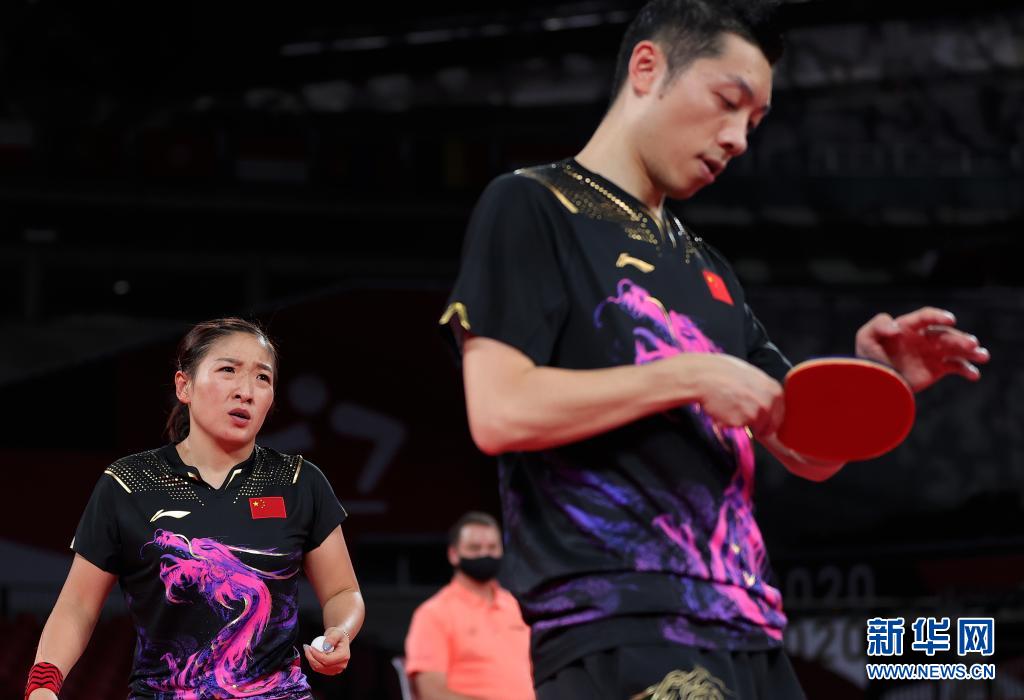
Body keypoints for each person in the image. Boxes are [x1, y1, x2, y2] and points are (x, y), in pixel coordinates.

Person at [438, 1, 991, 698]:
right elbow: (500, 411)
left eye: (753, 123)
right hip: (623, 624)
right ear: (647, 69)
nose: (738, 139)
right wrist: (691, 375)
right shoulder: (532, 205)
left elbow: (806, 450)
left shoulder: (707, 269)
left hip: (750, 629)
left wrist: (872, 383)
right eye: (728, 103)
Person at [25, 318, 364, 700]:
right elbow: (77, 606)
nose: (246, 392)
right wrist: (43, 683)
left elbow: (342, 591)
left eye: (262, 378)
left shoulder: (299, 481)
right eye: (228, 370)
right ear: (183, 386)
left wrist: (340, 630)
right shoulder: (129, 483)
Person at [404, 512, 534, 700]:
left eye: (492, 547)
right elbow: (432, 693)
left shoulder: (516, 607)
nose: (484, 554)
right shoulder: (433, 614)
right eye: (475, 548)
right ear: (453, 554)